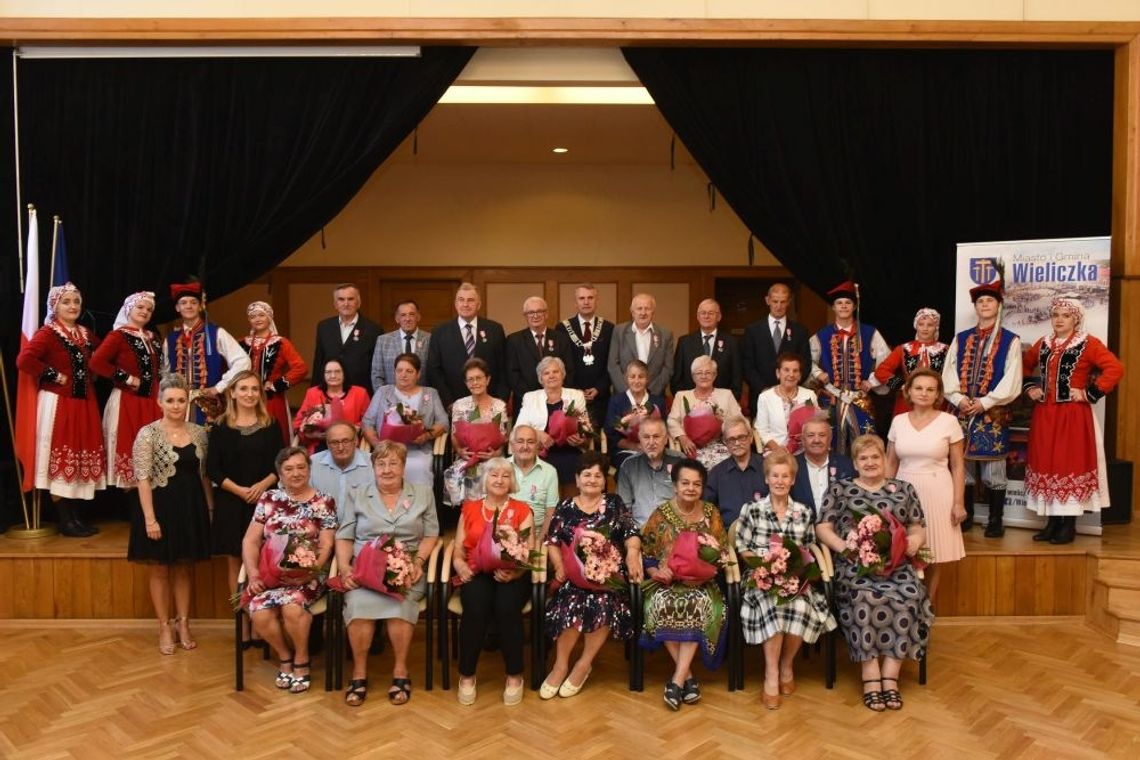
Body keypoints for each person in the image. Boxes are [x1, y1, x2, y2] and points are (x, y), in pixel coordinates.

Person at [816, 434, 934, 712]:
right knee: (864, 600)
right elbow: (823, 527)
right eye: (863, 458)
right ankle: (870, 677)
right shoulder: (840, 489)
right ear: (855, 463)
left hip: (897, 567)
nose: (870, 462)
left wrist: (915, 541)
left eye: (875, 457)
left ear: (884, 459)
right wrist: (844, 547)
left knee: (907, 598)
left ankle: (890, 677)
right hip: (856, 566)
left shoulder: (903, 489)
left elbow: (917, 525)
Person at [336, 441, 439, 706]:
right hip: (366, 572)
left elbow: (431, 534)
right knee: (359, 607)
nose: (387, 469)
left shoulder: (423, 493)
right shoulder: (358, 493)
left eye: (393, 463)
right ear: (373, 467)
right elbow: (345, 535)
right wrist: (346, 567)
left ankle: (400, 671)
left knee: (400, 608)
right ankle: (359, 673)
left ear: (404, 467)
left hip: (406, 572)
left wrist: (418, 562)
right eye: (381, 464)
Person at [735, 451, 836, 710]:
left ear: (792, 480)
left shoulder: (803, 512)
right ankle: (771, 674)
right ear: (767, 479)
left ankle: (786, 664)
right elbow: (743, 548)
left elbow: (810, 548)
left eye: (785, 476)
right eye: (775, 475)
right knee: (773, 605)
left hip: (794, 577)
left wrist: (795, 571)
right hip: (760, 577)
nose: (780, 481)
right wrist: (765, 566)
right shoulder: (752, 509)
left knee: (800, 606)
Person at [541, 451, 643, 699]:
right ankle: (561, 664)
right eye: (586, 475)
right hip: (573, 578)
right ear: (577, 479)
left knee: (604, 602)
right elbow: (552, 541)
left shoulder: (615, 504)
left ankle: (583, 664)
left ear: (604, 481)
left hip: (607, 578)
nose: (592, 480)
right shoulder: (566, 506)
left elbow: (631, 533)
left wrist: (631, 554)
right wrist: (559, 566)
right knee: (570, 602)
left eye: (598, 475)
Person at [1023, 297, 1124, 545]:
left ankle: (1068, 524)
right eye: (1055, 314)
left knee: (1067, 462)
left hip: (1072, 415)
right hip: (1046, 413)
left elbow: (1115, 368)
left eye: (1065, 316)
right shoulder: (1043, 343)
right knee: (1046, 462)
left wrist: (1089, 393)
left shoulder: (1088, 344)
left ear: (1075, 319)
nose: (1058, 319)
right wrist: (1030, 388)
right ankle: (1052, 522)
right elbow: (1024, 366)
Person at [127, 374, 213, 655]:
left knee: (183, 569)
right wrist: (150, 519)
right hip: (159, 510)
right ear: (160, 402)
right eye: (171, 401)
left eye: (181, 400)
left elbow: (204, 477)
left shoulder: (199, 432)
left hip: (190, 509)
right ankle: (164, 626)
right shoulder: (147, 434)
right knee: (160, 569)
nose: (176, 406)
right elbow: (142, 478)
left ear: (188, 402)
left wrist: (210, 509)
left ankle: (183, 623)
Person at [241, 447, 337, 694]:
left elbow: (327, 542)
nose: (296, 473)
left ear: (309, 469)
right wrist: (253, 573)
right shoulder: (269, 499)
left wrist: (313, 568)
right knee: (259, 610)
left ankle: (302, 659)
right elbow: (250, 540)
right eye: (289, 469)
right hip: (271, 576)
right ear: (280, 474)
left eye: (301, 467)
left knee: (292, 607)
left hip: (309, 576)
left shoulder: (324, 501)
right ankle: (285, 657)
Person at [16, 282, 106, 536]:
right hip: (58, 403)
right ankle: (65, 521)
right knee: (62, 457)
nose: (73, 306)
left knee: (78, 456)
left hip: (84, 403)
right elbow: (24, 359)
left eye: (76, 302)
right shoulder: (48, 333)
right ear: (55, 306)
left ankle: (76, 518)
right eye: (66, 302)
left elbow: (104, 355)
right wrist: (53, 374)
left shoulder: (85, 334)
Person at [641, 458, 727, 711]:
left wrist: (707, 573)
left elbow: (721, 552)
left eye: (697, 484)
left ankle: (677, 680)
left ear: (703, 487)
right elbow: (647, 553)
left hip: (703, 583)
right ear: (675, 485)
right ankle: (687, 677)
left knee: (700, 606)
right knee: (659, 604)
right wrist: (657, 571)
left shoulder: (711, 513)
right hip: (666, 583)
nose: (691, 488)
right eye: (685, 483)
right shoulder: (660, 514)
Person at [450, 459, 535, 706]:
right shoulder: (470, 508)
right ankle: (467, 675)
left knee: (507, 608)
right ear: (485, 480)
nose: (499, 479)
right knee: (475, 608)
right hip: (476, 572)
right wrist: (460, 565)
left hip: (511, 574)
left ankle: (514, 675)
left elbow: (529, 551)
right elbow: (457, 548)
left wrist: (517, 572)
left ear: (512, 482)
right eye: (494, 475)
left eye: (505, 476)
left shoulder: (522, 509)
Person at [943, 279, 1023, 535]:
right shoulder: (961, 338)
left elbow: (1013, 378)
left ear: (998, 306)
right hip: (962, 411)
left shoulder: (1010, 340)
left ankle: (995, 520)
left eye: (990, 300)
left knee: (994, 469)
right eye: (980, 301)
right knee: (962, 465)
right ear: (975, 307)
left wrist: (986, 402)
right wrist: (958, 399)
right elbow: (949, 372)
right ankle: (965, 517)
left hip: (993, 413)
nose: (985, 305)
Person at [206, 370, 282, 629]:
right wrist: (240, 490)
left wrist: (261, 487)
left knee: (262, 561)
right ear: (232, 393)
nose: (249, 394)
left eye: (254, 389)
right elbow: (212, 469)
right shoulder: (219, 427)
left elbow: (280, 465)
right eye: (244, 389)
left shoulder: (271, 424)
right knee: (234, 561)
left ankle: (261, 621)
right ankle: (242, 623)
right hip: (231, 501)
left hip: (264, 502)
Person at [886, 369, 966, 604]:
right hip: (903, 492)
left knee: (934, 552)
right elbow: (890, 462)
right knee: (904, 549)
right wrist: (885, 498)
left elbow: (958, 466)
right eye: (919, 388)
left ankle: (926, 608)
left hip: (938, 490)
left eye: (930, 389)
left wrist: (959, 502)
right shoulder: (898, 421)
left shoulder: (949, 422)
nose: (924, 393)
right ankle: (906, 602)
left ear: (938, 395)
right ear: (908, 391)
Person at [809, 281, 890, 454]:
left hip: (859, 398)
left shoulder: (870, 333)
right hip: (831, 399)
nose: (843, 306)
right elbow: (806, 360)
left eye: (848, 303)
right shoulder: (822, 335)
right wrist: (818, 373)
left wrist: (873, 380)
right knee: (829, 445)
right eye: (839, 303)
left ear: (854, 306)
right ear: (833, 307)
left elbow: (888, 361)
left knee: (866, 445)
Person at [91, 290, 161, 490]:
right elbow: (97, 363)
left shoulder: (152, 337)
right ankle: (136, 515)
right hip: (128, 400)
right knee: (131, 450)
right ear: (129, 309)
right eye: (140, 307)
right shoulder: (118, 336)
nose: (145, 311)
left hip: (153, 401)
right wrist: (128, 378)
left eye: (149, 309)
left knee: (152, 452)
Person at [163, 279, 250, 423]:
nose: (189, 306)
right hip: (178, 406)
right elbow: (165, 372)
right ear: (177, 308)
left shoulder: (217, 333)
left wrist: (219, 387)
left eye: (193, 302)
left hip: (209, 407)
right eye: (184, 303)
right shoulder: (171, 339)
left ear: (200, 306)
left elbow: (243, 361)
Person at [362, 352, 447, 486]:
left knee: (419, 466)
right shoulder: (383, 392)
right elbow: (367, 422)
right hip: (386, 451)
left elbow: (443, 422)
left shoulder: (431, 393)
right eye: (399, 370)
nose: (403, 375)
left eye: (409, 371)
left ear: (418, 374)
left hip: (418, 450)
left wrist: (426, 436)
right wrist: (377, 445)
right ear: (394, 372)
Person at [426, 282, 508, 408]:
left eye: (470, 300)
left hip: (489, 403)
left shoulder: (494, 329)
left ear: (479, 304)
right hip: (453, 403)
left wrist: (499, 401)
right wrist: (448, 402)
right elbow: (434, 370)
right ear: (456, 304)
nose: (465, 304)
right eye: (461, 300)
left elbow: (503, 368)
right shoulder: (440, 331)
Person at [444, 358, 510, 505]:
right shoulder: (459, 405)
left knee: (492, 472)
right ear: (466, 383)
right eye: (470, 379)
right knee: (460, 473)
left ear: (488, 380)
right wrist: (460, 451)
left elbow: (504, 436)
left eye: (479, 378)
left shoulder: (499, 405)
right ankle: (468, 516)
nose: (475, 383)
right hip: (468, 458)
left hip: (493, 459)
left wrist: (496, 453)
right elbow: (455, 435)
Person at [514, 356, 589, 486]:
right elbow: (518, 429)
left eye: (556, 371)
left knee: (574, 465)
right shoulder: (530, 397)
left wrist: (582, 437)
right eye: (546, 373)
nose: (551, 376)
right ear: (541, 378)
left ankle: (569, 504)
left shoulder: (576, 395)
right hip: (540, 452)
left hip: (569, 450)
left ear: (563, 375)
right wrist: (537, 433)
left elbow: (586, 426)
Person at [241, 301, 306, 444]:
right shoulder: (242, 343)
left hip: (272, 400)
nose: (257, 319)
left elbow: (300, 368)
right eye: (253, 316)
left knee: (273, 437)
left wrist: (277, 385)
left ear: (269, 317)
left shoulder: (281, 343)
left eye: (261, 315)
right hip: (244, 399)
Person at [742, 283, 811, 414]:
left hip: (792, 398)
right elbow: (747, 365)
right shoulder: (753, 330)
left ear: (788, 302)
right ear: (767, 300)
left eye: (783, 302)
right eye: (775, 301)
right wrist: (764, 389)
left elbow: (805, 364)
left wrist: (789, 387)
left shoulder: (800, 331)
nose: (779, 306)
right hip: (760, 396)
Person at [869, 308, 950, 417]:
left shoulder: (946, 349)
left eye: (930, 325)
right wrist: (902, 385)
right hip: (907, 403)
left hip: (936, 403)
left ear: (936, 327)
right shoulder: (903, 349)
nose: (925, 328)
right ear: (916, 326)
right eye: (921, 324)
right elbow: (881, 371)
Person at [667, 355, 743, 471]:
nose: (704, 376)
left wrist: (722, 426)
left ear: (715, 375)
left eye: (708, 372)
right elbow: (672, 421)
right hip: (691, 447)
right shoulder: (681, 396)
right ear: (693, 377)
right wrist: (683, 438)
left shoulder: (726, 395)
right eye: (699, 373)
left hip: (721, 446)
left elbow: (738, 420)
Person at [555, 282, 615, 426]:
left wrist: (599, 388)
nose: (586, 302)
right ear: (575, 302)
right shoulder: (562, 328)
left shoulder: (609, 328)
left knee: (600, 441)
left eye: (590, 298)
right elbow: (561, 364)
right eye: (581, 298)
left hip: (601, 397)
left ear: (596, 301)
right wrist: (576, 390)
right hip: (571, 394)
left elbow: (612, 363)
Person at [505, 296, 576, 408]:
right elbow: (512, 375)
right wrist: (534, 397)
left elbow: (569, 370)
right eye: (531, 312)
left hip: (558, 402)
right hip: (526, 402)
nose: (535, 315)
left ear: (546, 314)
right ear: (525, 316)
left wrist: (555, 396)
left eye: (539, 311)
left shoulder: (561, 338)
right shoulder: (514, 340)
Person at [311, 283, 383, 392]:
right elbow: (319, 362)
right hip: (330, 391)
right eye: (341, 299)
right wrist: (315, 392)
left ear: (358, 303)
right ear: (335, 304)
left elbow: (377, 368)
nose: (346, 303)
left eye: (350, 299)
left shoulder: (374, 330)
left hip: (361, 393)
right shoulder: (324, 327)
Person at [293, 358, 371, 455]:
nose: (333, 375)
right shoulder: (313, 393)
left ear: (344, 373)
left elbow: (369, 422)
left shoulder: (360, 393)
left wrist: (353, 428)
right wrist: (313, 434)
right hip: (319, 445)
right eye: (328, 372)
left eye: (337, 372)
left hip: (349, 444)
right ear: (323, 375)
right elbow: (298, 422)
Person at [617, 417, 683, 528]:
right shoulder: (629, 466)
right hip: (641, 532)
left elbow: (690, 501)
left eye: (656, 436)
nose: (651, 442)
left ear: (666, 439)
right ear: (639, 439)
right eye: (646, 437)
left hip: (675, 530)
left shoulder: (681, 461)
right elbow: (623, 508)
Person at [704, 415, 767, 527]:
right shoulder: (717, 474)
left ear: (751, 437)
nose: (737, 443)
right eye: (731, 439)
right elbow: (706, 509)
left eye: (741, 437)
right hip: (730, 538)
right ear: (725, 442)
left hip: (767, 534)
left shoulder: (767, 466)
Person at [671, 298, 742, 397]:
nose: (706, 316)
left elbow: (736, 377)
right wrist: (685, 401)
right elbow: (677, 378)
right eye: (703, 313)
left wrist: (731, 400)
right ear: (698, 317)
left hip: (722, 403)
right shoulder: (684, 342)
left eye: (711, 313)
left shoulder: (731, 342)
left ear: (719, 317)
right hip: (691, 403)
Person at [608, 292, 674, 396]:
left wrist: (650, 393)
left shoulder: (665, 334)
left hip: (654, 396)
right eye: (639, 308)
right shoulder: (619, 331)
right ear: (632, 312)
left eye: (647, 308)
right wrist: (628, 393)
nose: (643, 312)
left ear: (653, 312)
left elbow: (668, 367)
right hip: (623, 396)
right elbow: (613, 365)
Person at [604, 360, 667, 469]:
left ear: (647, 379)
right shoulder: (616, 401)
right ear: (626, 378)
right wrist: (633, 446)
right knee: (633, 465)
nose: (636, 381)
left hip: (654, 450)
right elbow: (610, 432)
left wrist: (650, 445)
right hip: (624, 450)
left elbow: (664, 429)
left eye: (641, 377)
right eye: (632, 377)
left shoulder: (658, 402)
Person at [791, 415, 856, 518]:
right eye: (811, 435)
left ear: (829, 439)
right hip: (802, 529)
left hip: (838, 530)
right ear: (802, 440)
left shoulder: (847, 465)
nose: (816, 440)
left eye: (822, 435)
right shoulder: (791, 466)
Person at [754, 353, 818, 455]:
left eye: (795, 371)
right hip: (775, 452)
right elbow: (762, 430)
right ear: (778, 373)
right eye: (786, 370)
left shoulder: (809, 396)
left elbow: (815, 425)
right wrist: (777, 449)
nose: (791, 375)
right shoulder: (765, 397)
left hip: (804, 451)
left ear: (800, 375)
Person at [309, 421, 373, 523]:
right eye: (334, 442)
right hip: (321, 528)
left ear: (355, 441)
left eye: (345, 441)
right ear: (327, 444)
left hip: (360, 530)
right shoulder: (312, 463)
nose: (341, 448)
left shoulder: (373, 464)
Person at [507, 424, 559, 539]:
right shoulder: (500, 467)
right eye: (520, 441)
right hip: (503, 535)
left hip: (535, 536)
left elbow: (550, 513)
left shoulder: (549, 472)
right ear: (512, 445)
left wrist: (539, 542)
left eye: (530, 442)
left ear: (538, 446)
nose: (525, 447)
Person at [371, 299, 431, 392]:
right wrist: (385, 399)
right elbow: (377, 375)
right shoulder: (383, 341)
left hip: (421, 399)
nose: (407, 319)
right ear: (397, 319)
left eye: (412, 314)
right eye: (403, 315)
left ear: (418, 317)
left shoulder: (430, 339)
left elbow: (434, 374)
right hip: (390, 400)